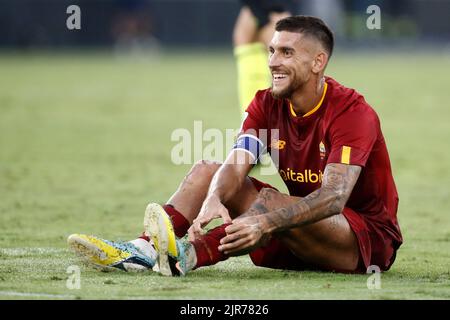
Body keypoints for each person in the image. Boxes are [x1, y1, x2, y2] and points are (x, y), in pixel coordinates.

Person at [68, 15, 403, 276]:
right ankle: (141, 251)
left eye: (287, 52)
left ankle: (189, 255)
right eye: (271, 50)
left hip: (363, 242)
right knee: (209, 170)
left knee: (268, 202)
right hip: (299, 229)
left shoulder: (352, 112)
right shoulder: (266, 103)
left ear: (318, 62)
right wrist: (215, 197)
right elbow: (236, 163)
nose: (273, 62)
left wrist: (266, 222)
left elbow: (334, 197)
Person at [234, 0, 295, 116]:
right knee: (246, 43)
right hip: (259, 7)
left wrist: (274, 10)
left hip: (272, 7)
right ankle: (252, 116)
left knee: (279, 52)